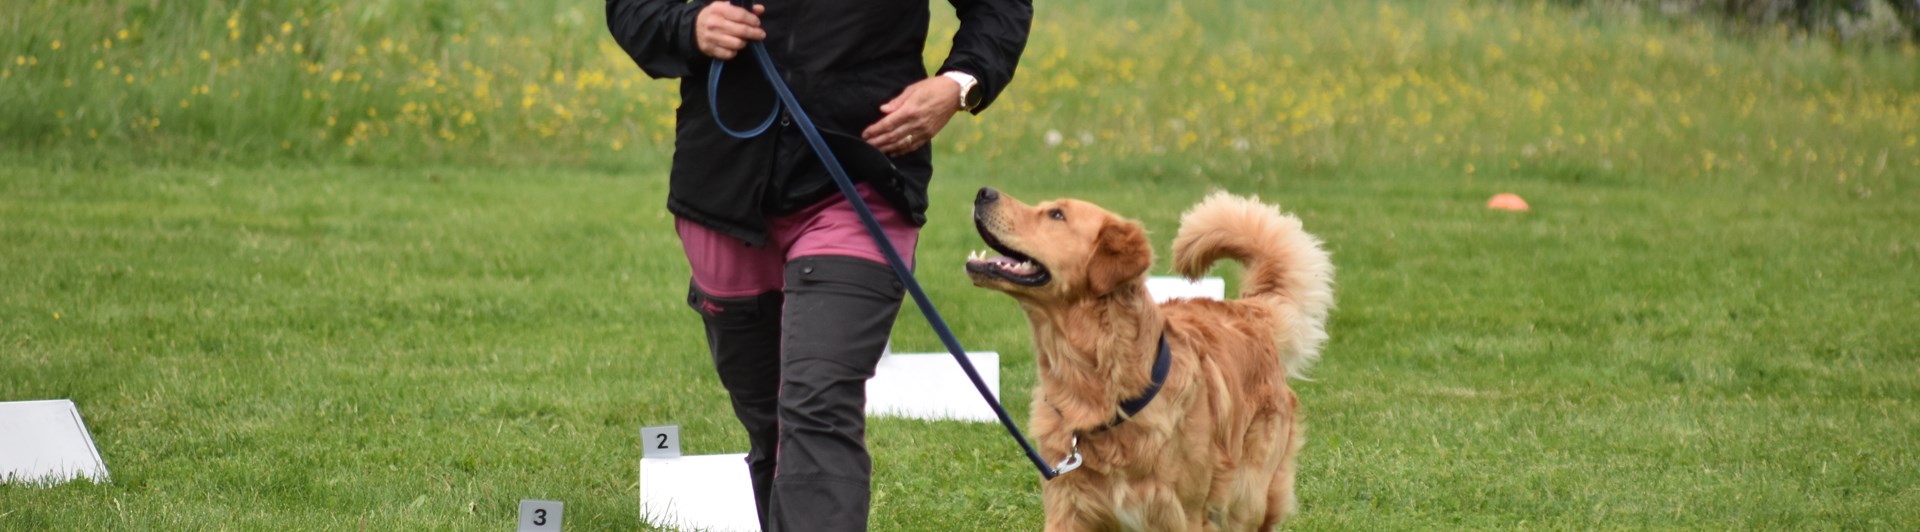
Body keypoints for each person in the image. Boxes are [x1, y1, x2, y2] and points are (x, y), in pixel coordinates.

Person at [607, 0, 1030, 529]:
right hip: (723, 191)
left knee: (817, 406)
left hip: (862, 182)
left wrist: (957, 84)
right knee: (772, 429)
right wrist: (688, 26)